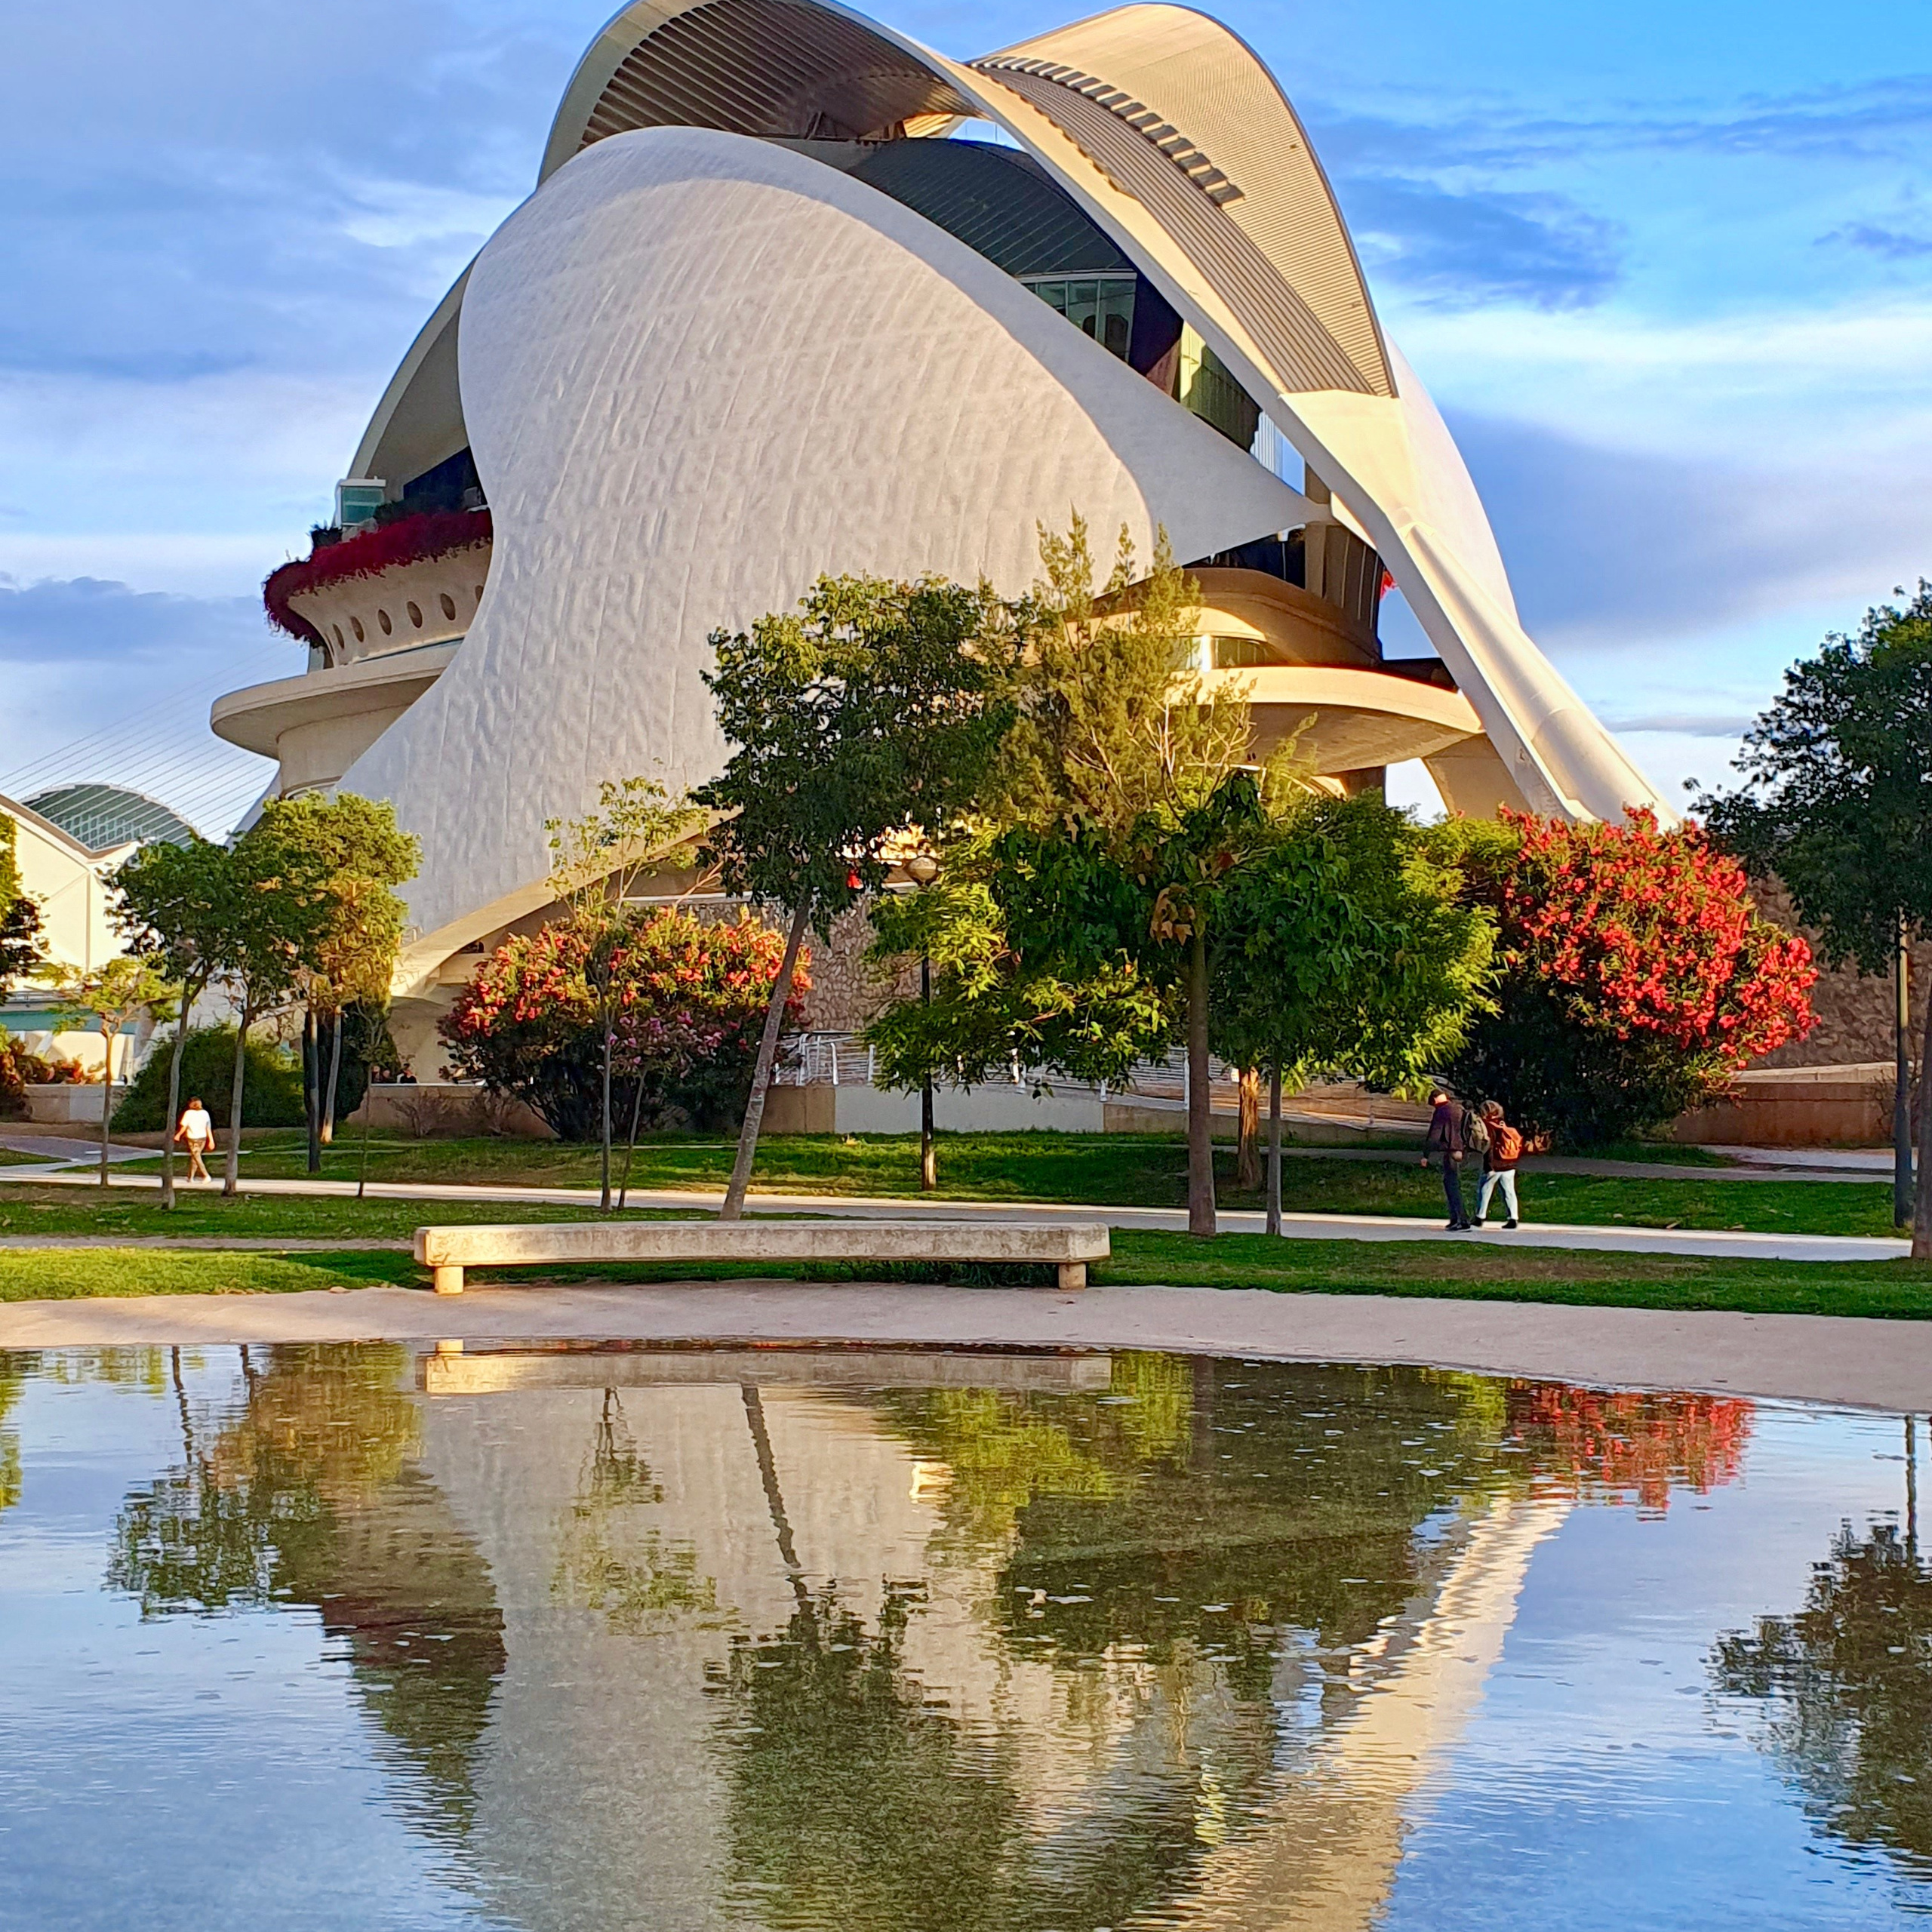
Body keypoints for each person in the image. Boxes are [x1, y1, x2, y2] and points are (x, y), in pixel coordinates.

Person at [1421, 1090, 1472, 1230]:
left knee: (1451, 1185)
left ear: (1435, 1099)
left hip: (1450, 1151)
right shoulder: (1458, 1109)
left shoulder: (1442, 1111)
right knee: (1453, 1183)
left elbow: (1434, 1134)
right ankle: (1457, 1219)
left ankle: (1461, 1219)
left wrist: (1426, 1154)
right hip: (1461, 1151)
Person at [1473, 1100, 1524, 1229]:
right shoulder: (1503, 1124)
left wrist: (1489, 1165)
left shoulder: (1487, 1127)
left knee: (1485, 1190)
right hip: (1510, 1163)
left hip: (1495, 1164)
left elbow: (1489, 1147)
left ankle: (1480, 1217)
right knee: (1509, 1192)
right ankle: (1513, 1218)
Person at [174, 1096, 214, 1182]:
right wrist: (211, 1140)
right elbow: (208, 1128)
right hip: (202, 1138)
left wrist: (178, 1135)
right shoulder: (205, 1113)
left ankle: (206, 1175)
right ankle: (191, 1177)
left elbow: (184, 1127)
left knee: (196, 1156)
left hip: (192, 1138)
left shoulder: (188, 1113)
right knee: (195, 1156)